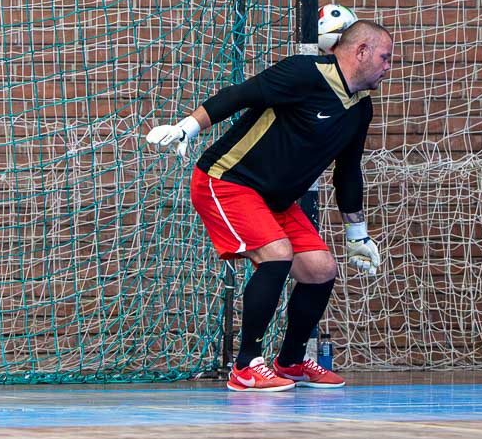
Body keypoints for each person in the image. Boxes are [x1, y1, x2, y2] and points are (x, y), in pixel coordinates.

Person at [146, 20, 394, 391]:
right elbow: (240, 95)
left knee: (321, 269)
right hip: (226, 181)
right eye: (385, 57)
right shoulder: (303, 73)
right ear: (361, 52)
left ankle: (291, 362)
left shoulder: (360, 109)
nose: (388, 66)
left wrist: (357, 234)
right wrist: (188, 127)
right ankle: (245, 366)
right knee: (277, 254)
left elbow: (348, 171)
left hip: (274, 201)